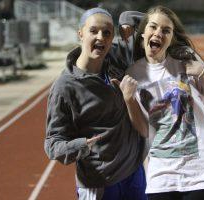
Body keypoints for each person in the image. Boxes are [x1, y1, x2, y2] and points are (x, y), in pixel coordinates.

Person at [44, 8, 148, 200]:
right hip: (99, 183)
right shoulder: (65, 87)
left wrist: (126, 19)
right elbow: (52, 144)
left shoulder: (116, 61)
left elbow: (152, 25)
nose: (101, 37)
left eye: (107, 33)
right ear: (80, 33)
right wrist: (81, 145)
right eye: (94, 31)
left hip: (134, 175)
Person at [126, 6, 204, 200]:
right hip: (161, 175)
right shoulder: (133, 74)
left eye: (166, 30)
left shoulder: (184, 57)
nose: (158, 33)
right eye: (153, 27)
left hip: (201, 171)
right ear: (143, 33)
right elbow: (144, 130)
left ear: (171, 38)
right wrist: (129, 100)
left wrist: (202, 72)